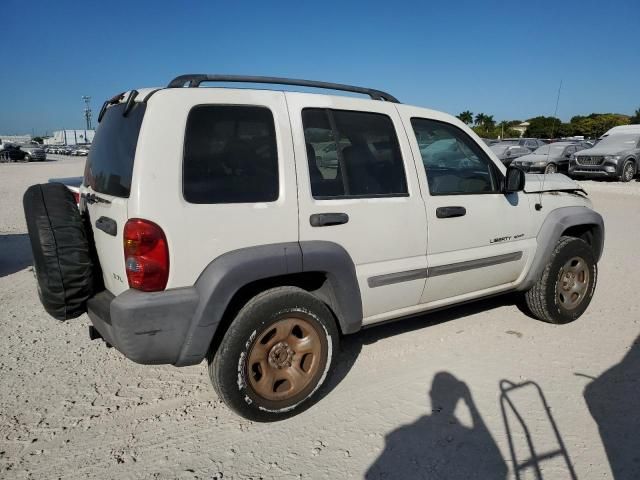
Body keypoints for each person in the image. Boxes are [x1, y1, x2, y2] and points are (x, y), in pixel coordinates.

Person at [366, 372, 507, 479]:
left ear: (431, 395)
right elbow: (501, 467)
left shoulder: (398, 434)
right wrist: (470, 404)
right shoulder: (401, 433)